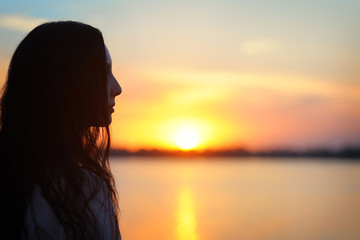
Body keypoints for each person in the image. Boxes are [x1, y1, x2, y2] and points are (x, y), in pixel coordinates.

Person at [0, 21, 122, 239]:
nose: (117, 88)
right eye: (104, 72)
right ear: (70, 82)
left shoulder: (14, 181)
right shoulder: (83, 190)